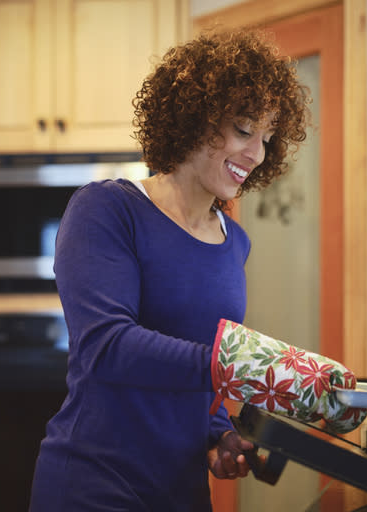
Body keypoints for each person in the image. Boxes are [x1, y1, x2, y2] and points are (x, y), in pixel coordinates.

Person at [29, 30, 310, 511]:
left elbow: (195, 369)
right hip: (94, 482)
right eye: (243, 129)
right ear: (194, 117)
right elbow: (106, 345)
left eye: (266, 139)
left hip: (180, 492)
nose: (257, 153)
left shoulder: (234, 241)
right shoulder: (107, 209)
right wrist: (241, 367)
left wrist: (217, 434)